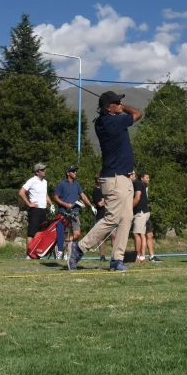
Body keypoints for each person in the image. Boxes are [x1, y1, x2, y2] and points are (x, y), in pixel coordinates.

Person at [69, 91, 142, 272]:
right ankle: (79, 248)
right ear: (110, 107)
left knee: (126, 219)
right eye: (117, 102)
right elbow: (138, 114)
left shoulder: (103, 121)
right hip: (116, 178)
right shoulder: (112, 121)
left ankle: (117, 259)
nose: (121, 103)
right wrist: (123, 108)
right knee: (112, 218)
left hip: (121, 177)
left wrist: (117, 106)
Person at [53, 165, 92, 260]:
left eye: (75, 171)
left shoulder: (77, 184)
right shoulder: (61, 184)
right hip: (64, 213)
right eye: (73, 171)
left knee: (77, 234)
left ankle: (62, 247)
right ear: (68, 173)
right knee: (64, 233)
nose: (75, 173)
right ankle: (63, 252)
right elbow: (55, 197)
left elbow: (83, 196)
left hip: (75, 213)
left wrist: (91, 206)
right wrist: (65, 204)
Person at [19, 163, 49, 257]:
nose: (44, 171)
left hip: (43, 210)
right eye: (42, 170)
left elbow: (45, 194)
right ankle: (29, 254)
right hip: (35, 210)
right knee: (31, 232)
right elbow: (21, 192)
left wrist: (51, 204)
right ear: (37, 172)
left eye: (44, 169)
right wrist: (29, 204)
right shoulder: (32, 181)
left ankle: (37, 253)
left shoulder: (45, 182)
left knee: (41, 233)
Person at [132, 172, 155, 264]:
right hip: (144, 211)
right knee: (142, 234)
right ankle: (142, 257)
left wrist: (129, 209)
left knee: (137, 234)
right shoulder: (140, 184)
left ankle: (138, 257)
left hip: (141, 212)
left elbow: (137, 198)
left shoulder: (137, 183)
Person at [90, 183, 109, 260]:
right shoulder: (96, 191)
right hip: (101, 215)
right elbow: (100, 204)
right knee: (101, 236)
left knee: (114, 235)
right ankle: (102, 255)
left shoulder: (107, 190)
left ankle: (115, 256)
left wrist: (104, 200)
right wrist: (107, 200)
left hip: (111, 215)